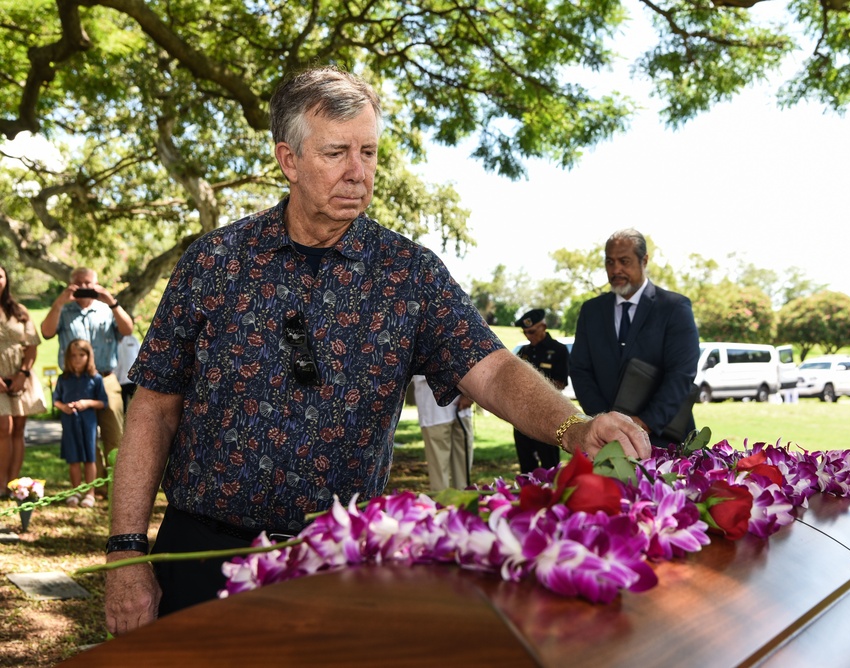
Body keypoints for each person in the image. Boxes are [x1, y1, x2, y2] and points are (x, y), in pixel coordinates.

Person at [104, 66, 650, 634]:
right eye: (337, 152)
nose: (358, 172)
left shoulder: (409, 274)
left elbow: (491, 370)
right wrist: (125, 551)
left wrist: (576, 430)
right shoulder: (216, 262)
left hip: (339, 563)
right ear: (288, 160)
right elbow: (153, 408)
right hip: (203, 557)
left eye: (368, 152)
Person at [570, 229, 700, 447]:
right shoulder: (591, 311)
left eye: (624, 261)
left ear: (644, 260)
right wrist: (606, 423)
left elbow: (681, 374)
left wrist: (643, 424)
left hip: (665, 441)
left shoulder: (674, 308)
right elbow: (580, 370)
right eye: (609, 262)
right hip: (607, 442)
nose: (616, 269)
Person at [40, 267, 134, 489]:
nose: (83, 287)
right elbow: (46, 332)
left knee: (114, 434)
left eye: (88, 283)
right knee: (86, 436)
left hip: (106, 378)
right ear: (71, 284)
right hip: (75, 382)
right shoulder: (63, 310)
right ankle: (95, 487)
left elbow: (128, 330)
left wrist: (112, 302)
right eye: (78, 283)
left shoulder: (107, 309)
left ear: (96, 284)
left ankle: (115, 486)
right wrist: (59, 302)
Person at [0, 265, 46, 498]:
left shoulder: (19, 310)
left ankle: (12, 484)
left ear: (6, 279)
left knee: (18, 429)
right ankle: (0, 484)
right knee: (3, 428)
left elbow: (31, 346)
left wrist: (23, 374)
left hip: (20, 378)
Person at [53, 339, 108, 509]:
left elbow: (103, 402)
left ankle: (89, 492)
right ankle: (75, 490)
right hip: (70, 423)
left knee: (89, 458)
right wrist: (64, 407)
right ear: (67, 358)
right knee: (74, 458)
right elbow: (56, 400)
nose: (77, 359)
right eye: (73, 356)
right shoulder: (64, 379)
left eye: (81, 355)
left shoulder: (95, 378)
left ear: (88, 356)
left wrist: (87, 403)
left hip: (88, 423)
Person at [512, 309, 569, 472]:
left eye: (531, 331)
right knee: (526, 466)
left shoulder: (558, 350)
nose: (528, 336)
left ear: (543, 326)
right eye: (525, 333)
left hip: (547, 414)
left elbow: (560, 383)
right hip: (522, 416)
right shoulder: (524, 352)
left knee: (550, 466)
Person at [411, 375, 474, 491]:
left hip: (462, 405)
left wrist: (470, 394)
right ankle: (442, 507)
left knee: (464, 472)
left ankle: (466, 506)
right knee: (439, 474)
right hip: (432, 406)